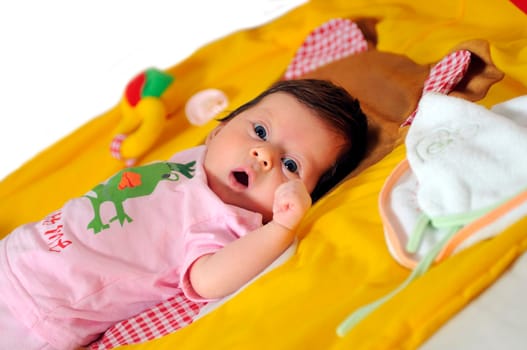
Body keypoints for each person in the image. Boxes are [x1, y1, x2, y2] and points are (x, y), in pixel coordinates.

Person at [0, 79, 368, 349]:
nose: (264, 154)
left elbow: (208, 280)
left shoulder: (230, 221)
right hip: (16, 250)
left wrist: (282, 228)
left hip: (39, 312)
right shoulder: (195, 161)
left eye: (291, 164)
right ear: (219, 131)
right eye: (258, 130)